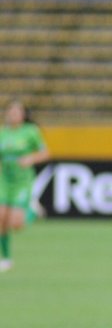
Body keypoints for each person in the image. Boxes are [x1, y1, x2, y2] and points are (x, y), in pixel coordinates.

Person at [0, 99, 50, 272]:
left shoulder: (30, 132)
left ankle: (32, 210)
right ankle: (6, 258)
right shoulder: (2, 133)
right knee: (1, 219)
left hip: (22, 180)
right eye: (11, 111)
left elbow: (45, 153)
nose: (13, 114)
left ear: (23, 115)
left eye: (17, 111)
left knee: (16, 224)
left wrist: (30, 158)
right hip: (5, 180)